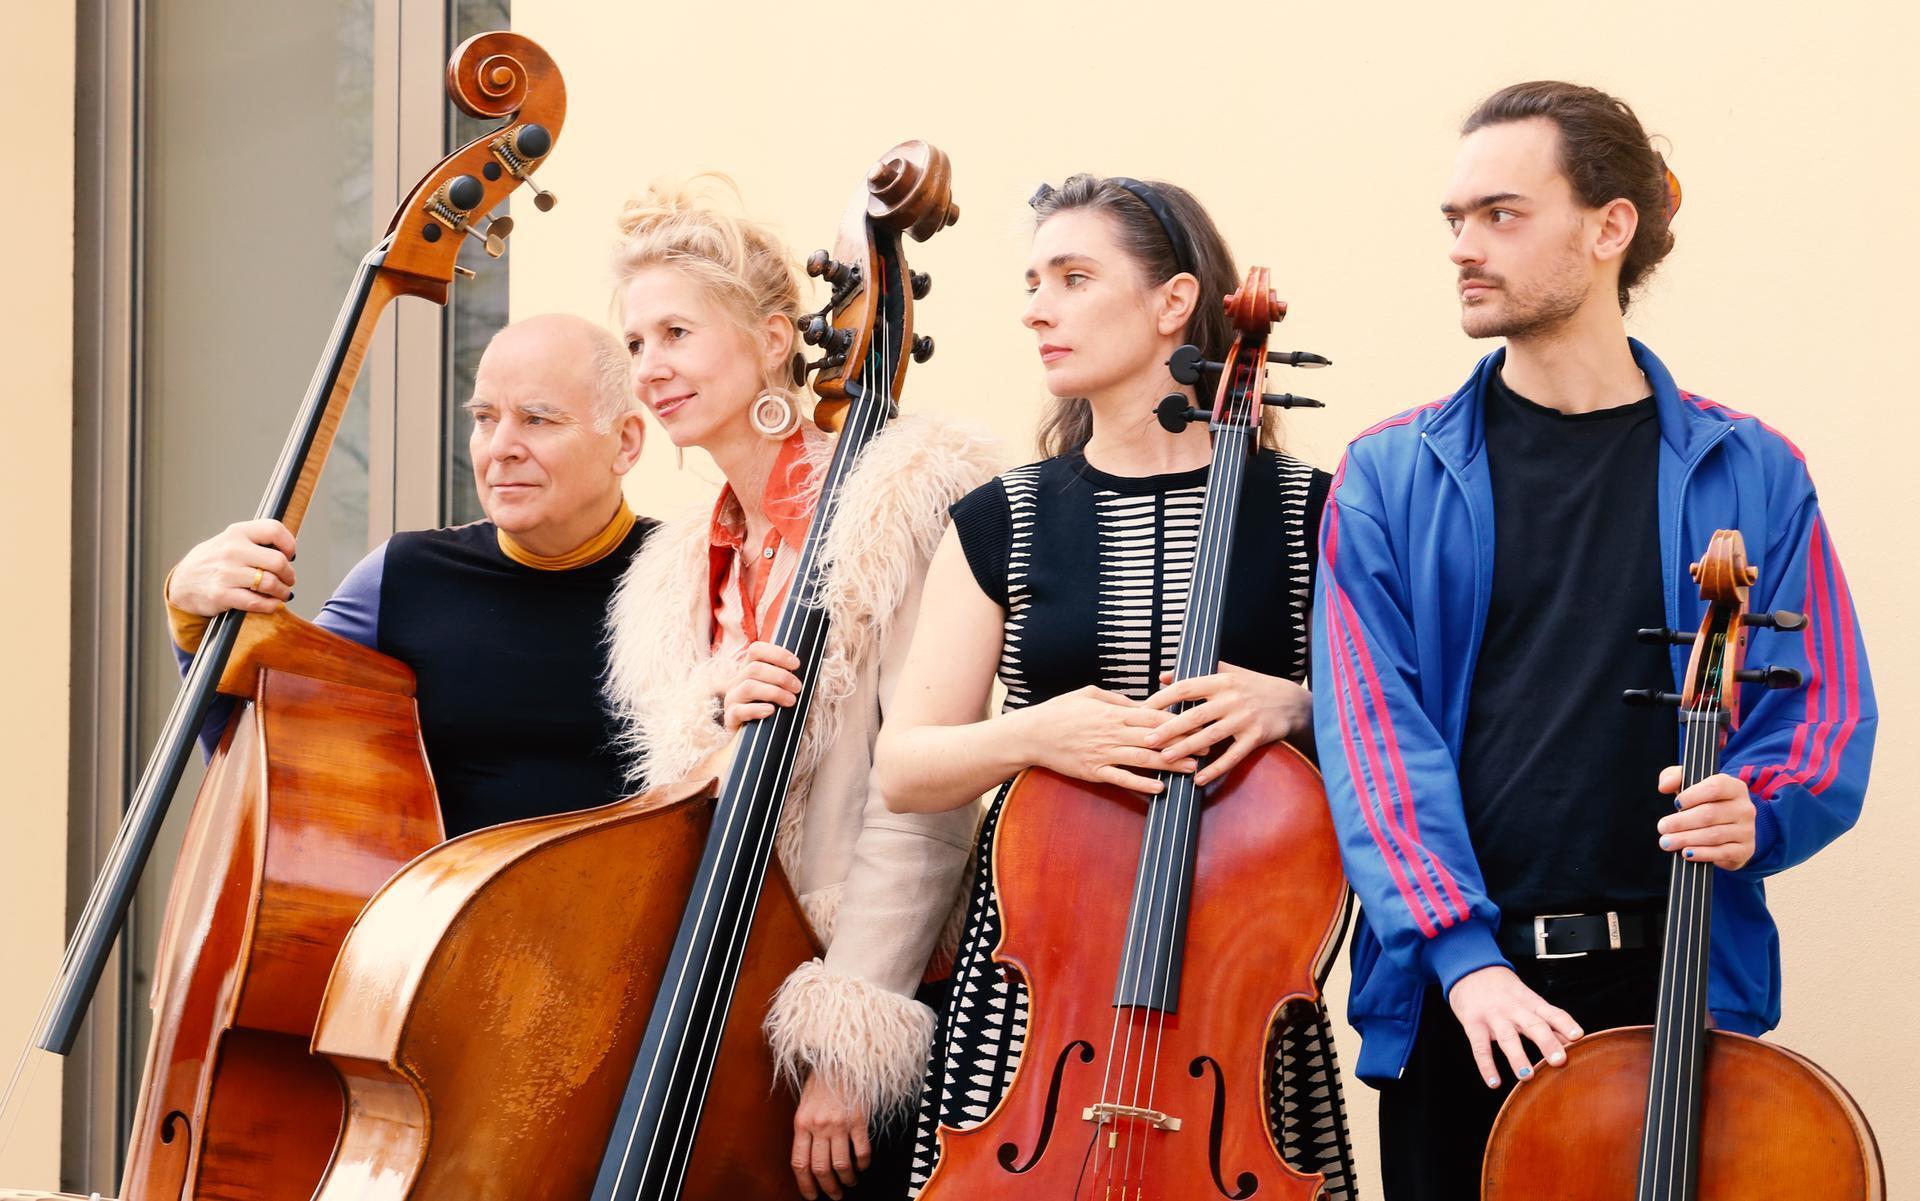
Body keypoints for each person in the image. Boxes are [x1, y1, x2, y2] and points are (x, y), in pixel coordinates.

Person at [1314, 80, 1876, 1200]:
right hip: (1470, 1002)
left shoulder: (1754, 468)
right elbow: (1373, 739)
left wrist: (1760, 808)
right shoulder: (1387, 474)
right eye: (1455, 219)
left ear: (1610, 226)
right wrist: (1462, 959)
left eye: (1502, 215)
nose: (1464, 246)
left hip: (1680, 977)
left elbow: (1821, 712)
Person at [876, 174, 1357, 1199]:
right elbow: (906, 766)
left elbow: (1404, 729)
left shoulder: (1311, 512)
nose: (1036, 308)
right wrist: (1035, 735)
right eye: (1032, 281)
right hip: (1039, 1008)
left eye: (1073, 277)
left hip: (1237, 997)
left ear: (1174, 302)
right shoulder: (1003, 517)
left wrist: (1300, 705)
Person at [599, 179, 998, 1201]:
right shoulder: (674, 570)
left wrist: (850, 1043)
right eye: (636, 342)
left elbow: (919, 802)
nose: (650, 368)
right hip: (730, 995)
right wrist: (711, 708)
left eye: (677, 333)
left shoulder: (892, 507)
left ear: (775, 339)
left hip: (872, 986)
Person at [164, 312, 654, 837]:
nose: (500, 447)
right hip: (433, 893)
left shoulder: (687, 575)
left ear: (625, 442)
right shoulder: (403, 575)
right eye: (485, 418)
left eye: (537, 419)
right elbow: (257, 758)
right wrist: (191, 615)